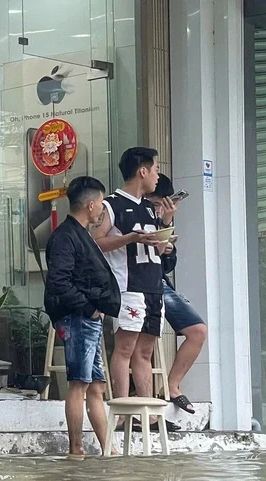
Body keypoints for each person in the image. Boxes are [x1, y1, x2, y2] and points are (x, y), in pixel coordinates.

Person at [93, 147, 171, 420]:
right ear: (143, 171)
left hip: (153, 285)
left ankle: (146, 413)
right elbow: (96, 242)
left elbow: (158, 250)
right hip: (128, 286)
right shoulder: (111, 205)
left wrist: (167, 228)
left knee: (145, 351)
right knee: (125, 348)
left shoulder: (150, 208)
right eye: (156, 169)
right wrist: (129, 238)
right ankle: (123, 411)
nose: (157, 176)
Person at [44, 176, 120, 456]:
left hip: (88, 319)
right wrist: (88, 307)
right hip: (78, 318)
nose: (102, 209)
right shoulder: (66, 237)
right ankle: (75, 449)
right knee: (79, 384)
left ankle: (108, 449)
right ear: (90, 205)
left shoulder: (78, 235)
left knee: (96, 386)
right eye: (101, 203)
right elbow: (59, 282)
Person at [149, 173, 204, 415]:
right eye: (156, 204)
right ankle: (144, 404)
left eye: (164, 204)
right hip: (138, 286)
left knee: (198, 331)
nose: (159, 209)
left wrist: (168, 249)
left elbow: (167, 266)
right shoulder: (132, 213)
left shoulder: (163, 219)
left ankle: (172, 386)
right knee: (142, 344)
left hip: (159, 283)